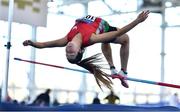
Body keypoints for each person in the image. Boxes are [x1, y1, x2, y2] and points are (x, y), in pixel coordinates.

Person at [23, 10, 150, 90]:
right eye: (72, 53)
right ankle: (123, 72)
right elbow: (121, 32)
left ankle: (112, 69)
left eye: (67, 53)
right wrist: (138, 21)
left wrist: (32, 43)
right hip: (104, 28)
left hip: (102, 27)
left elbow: (45, 44)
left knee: (105, 40)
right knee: (125, 39)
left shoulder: (67, 38)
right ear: (80, 50)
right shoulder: (91, 39)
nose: (68, 49)